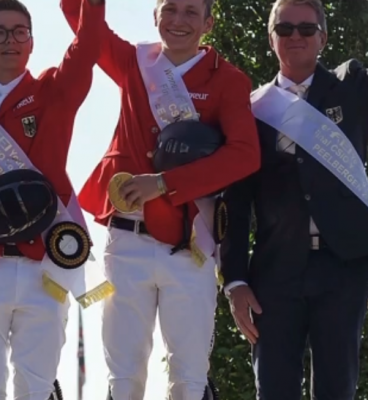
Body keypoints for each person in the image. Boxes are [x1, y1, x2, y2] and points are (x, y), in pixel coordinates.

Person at [60, 0, 260, 398]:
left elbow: (245, 155)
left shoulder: (229, 80)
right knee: (123, 377)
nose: (178, 21)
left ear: (209, 23)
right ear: (155, 17)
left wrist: (165, 182)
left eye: (190, 12)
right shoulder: (134, 62)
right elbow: (77, 14)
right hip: (127, 240)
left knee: (188, 379)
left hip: (190, 246)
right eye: (169, 9)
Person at [0, 0, 102, 399]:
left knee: (37, 386)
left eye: (19, 32)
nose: (10, 40)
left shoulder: (54, 92)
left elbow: (90, 40)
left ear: (31, 42)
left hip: (44, 262)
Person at [219, 0, 368, 398]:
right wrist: (233, 279)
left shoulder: (353, 90)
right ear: (271, 38)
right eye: (285, 29)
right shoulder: (251, 110)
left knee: (337, 391)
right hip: (274, 272)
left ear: (323, 36)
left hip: (343, 267)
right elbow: (235, 202)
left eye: (306, 28)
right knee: (273, 391)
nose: (296, 37)